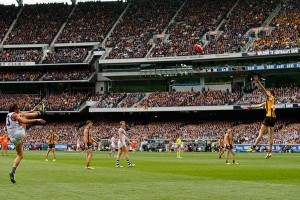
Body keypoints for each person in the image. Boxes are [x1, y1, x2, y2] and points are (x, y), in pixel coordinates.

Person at [6, 103, 46, 183]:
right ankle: (41, 113)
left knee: (20, 155)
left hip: (13, 139)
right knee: (25, 117)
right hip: (18, 134)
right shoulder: (14, 115)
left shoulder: (9, 115)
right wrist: (36, 120)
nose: (19, 110)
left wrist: (33, 110)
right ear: (15, 109)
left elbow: (23, 113)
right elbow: (23, 119)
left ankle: (12, 171)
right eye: (18, 108)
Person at [247, 76, 276, 159]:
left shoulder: (270, 98)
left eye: (268, 92)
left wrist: (258, 82)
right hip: (273, 118)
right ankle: (270, 152)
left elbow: (264, 91)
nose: (267, 92)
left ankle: (253, 146)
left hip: (268, 117)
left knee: (261, 132)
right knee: (271, 135)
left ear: (271, 94)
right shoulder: (269, 101)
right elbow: (259, 105)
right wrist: (251, 107)